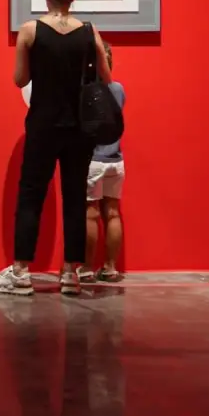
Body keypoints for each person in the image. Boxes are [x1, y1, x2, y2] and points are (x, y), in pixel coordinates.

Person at [0, 0, 111, 297]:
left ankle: (21, 272)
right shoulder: (89, 32)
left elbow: (19, 79)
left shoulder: (31, 31)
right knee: (74, 197)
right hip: (79, 130)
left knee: (31, 195)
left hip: (43, 124)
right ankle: (71, 273)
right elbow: (107, 77)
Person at [81, 42, 126, 283]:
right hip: (116, 161)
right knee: (113, 213)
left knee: (90, 215)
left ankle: (87, 268)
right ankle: (110, 267)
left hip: (93, 161)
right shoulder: (118, 89)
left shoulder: (86, 91)